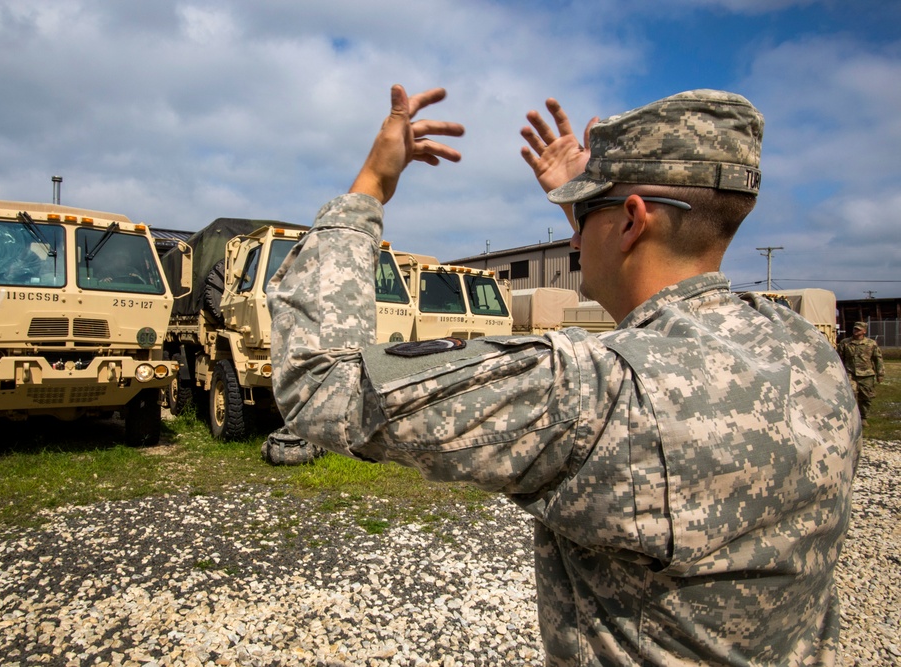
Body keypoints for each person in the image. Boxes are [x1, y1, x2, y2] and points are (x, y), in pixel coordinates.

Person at [268, 85, 861, 665]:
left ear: (632, 221)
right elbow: (663, 338)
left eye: (586, 218)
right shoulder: (805, 353)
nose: (575, 239)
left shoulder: (592, 394)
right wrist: (592, 201)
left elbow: (322, 387)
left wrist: (369, 187)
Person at [838, 321, 885, 425]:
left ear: (864, 331)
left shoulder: (871, 344)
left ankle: (863, 418)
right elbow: (839, 359)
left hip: (866, 375)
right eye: (855, 329)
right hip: (850, 373)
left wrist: (880, 374)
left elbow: (878, 359)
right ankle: (852, 418)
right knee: (851, 394)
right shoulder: (845, 343)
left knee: (866, 397)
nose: (856, 331)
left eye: (858, 329)